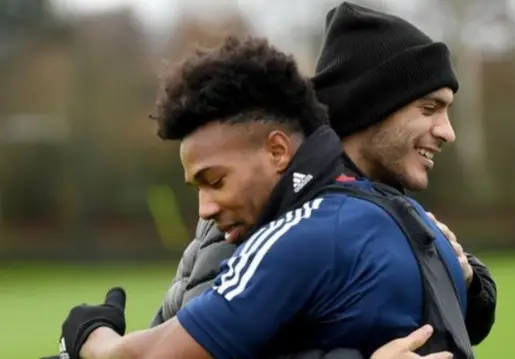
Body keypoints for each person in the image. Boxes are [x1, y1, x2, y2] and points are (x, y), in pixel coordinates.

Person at [55, 35, 467, 359]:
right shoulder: (405, 215)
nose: (205, 209)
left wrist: (88, 333)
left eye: (214, 181)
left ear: (277, 151)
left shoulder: (305, 233)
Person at [149, 0, 496, 349]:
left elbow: (451, 323)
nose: (447, 132)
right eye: (429, 108)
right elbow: (187, 352)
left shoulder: (379, 202)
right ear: (374, 107)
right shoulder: (247, 214)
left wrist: (467, 280)